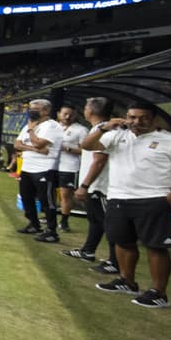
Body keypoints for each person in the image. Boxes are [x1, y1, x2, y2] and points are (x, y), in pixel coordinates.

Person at [83, 101, 171, 308]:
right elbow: (87, 145)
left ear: (153, 119)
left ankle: (158, 292)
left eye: (143, 118)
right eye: (132, 117)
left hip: (153, 199)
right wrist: (103, 127)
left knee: (156, 246)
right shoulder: (117, 135)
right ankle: (126, 280)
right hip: (118, 196)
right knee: (122, 242)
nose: (136, 122)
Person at [63, 97, 119, 273]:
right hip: (94, 185)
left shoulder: (105, 132)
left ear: (92, 111)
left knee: (108, 224)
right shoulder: (97, 129)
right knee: (95, 220)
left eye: (86, 106)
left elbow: (99, 161)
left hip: (100, 187)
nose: (84, 110)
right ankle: (88, 250)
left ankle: (114, 261)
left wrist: (85, 185)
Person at [14, 99, 64, 243]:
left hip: (45, 168)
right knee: (26, 197)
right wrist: (33, 148)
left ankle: (51, 231)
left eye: (36, 108)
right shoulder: (29, 125)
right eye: (30, 108)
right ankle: (34, 224)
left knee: (46, 201)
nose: (31, 111)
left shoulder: (52, 126)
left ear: (46, 111)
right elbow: (17, 144)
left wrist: (30, 131)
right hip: (27, 167)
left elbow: (39, 142)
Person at [56, 104, 89, 233]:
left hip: (69, 166)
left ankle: (64, 221)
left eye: (70, 114)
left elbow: (85, 150)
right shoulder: (54, 127)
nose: (67, 117)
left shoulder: (81, 130)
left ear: (75, 115)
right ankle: (50, 215)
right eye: (65, 114)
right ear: (59, 113)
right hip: (52, 164)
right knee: (51, 192)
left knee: (66, 195)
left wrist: (67, 148)